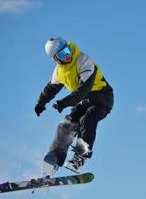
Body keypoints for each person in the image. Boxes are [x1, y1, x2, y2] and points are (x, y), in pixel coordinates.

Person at [34, 37, 114, 175]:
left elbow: (83, 90)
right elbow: (50, 89)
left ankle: (80, 158)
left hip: (102, 97)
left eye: (68, 50)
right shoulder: (59, 72)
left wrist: (63, 103)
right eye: (62, 54)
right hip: (83, 101)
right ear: (56, 59)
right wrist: (40, 103)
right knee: (67, 123)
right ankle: (54, 158)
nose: (68, 55)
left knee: (87, 119)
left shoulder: (83, 60)